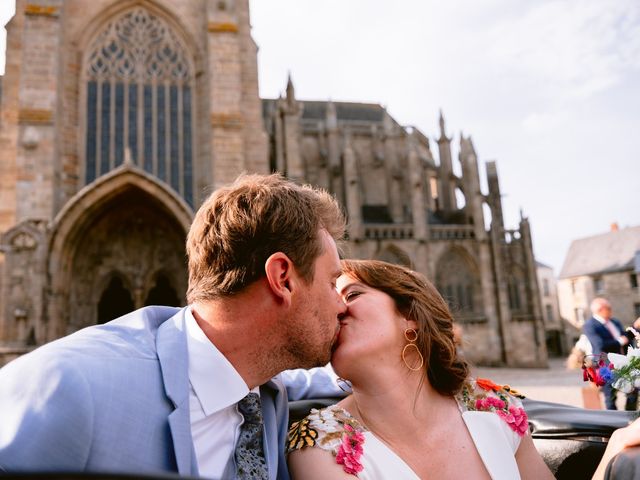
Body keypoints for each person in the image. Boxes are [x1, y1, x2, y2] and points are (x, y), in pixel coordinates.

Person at [0, 173, 347, 479]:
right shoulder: (68, 384)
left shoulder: (267, 389)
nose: (342, 304)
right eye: (333, 283)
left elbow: (347, 380)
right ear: (282, 278)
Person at [287, 260, 640, 480]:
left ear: (410, 317)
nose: (336, 308)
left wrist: (613, 453)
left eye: (352, 295)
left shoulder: (493, 406)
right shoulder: (320, 445)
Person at [583, 297, 637, 410]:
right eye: (609, 308)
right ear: (600, 309)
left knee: (633, 391)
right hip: (606, 365)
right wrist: (619, 341)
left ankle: (629, 417)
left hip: (624, 363)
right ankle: (613, 423)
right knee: (611, 396)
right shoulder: (590, 325)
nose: (611, 310)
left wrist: (635, 327)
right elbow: (599, 345)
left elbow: (626, 336)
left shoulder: (614, 322)